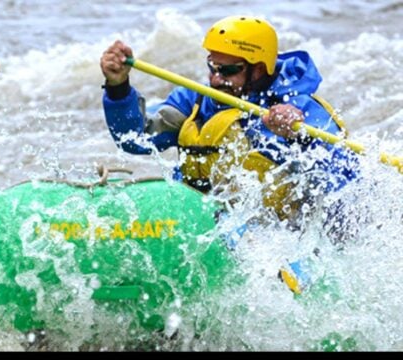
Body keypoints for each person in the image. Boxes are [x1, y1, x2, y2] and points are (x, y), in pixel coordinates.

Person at [99, 15, 358, 221]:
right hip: (204, 222)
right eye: (213, 67)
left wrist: (299, 137)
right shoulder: (195, 101)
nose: (215, 79)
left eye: (229, 70)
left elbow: (345, 178)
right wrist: (118, 88)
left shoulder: (302, 110)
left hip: (276, 233)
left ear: (259, 69)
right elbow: (135, 140)